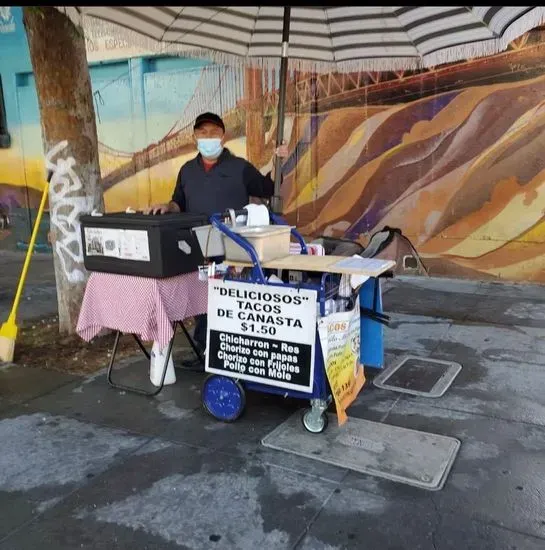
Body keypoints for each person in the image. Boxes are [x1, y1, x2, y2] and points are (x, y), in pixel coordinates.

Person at [145, 111, 289, 359]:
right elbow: (178, 202)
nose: (207, 137)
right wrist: (168, 207)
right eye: (202, 133)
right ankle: (205, 352)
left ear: (223, 136)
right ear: (194, 137)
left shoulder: (240, 167)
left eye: (213, 132)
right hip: (199, 246)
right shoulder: (187, 170)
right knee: (204, 301)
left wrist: (279, 163)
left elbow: (267, 188)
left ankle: (234, 351)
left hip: (234, 248)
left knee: (232, 300)